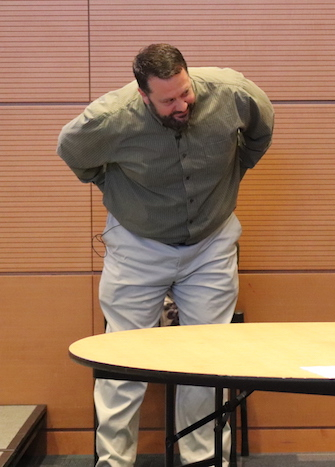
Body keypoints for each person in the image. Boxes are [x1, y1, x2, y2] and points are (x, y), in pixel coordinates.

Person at [57, 43, 274, 467]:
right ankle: (115, 462)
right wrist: (118, 190)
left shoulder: (232, 92)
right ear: (143, 95)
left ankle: (206, 459)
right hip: (138, 244)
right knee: (122, 361)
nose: (181, 104)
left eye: (185, 92)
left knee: (207, 359)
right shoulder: (109, 118)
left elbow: (260, 131)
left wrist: (235, 171)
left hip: (210, 242)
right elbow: (74, 153)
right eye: (168, 100)